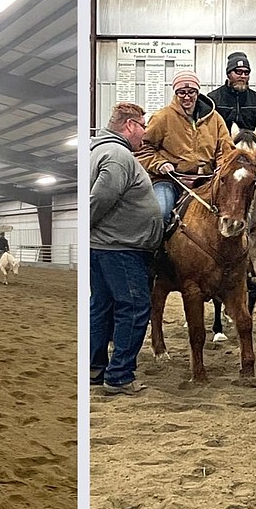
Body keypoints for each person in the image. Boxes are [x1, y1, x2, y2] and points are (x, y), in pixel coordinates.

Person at [90, 102, 163, 396]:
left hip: (106, 247)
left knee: (102, 307)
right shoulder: (118, 155)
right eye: (142, 127)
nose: (144, 134)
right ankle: (119, 375)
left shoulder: (97, 151)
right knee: (133, 308)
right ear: (130, 125)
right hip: (120, 248)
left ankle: (95, 368)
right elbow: (99, 199)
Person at [208, 51, 256, 257]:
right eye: (238, 71)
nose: (242, 75)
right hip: (223, 156)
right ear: (228, 73)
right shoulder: (213, 99)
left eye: (246, 72)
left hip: (253, 157)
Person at [137, 69, 236, 227]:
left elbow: (225, 149)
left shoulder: (215, 118)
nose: (187, 96)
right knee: (161, 213)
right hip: (171, 180)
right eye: (182, 92)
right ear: (175, 93)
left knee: (234, 211)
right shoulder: (162, 118)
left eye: (191, 92)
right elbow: (142, 148)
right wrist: (160, 164)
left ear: (197, 92)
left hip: (207, 180)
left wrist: (221, 167)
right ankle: (154, 250)